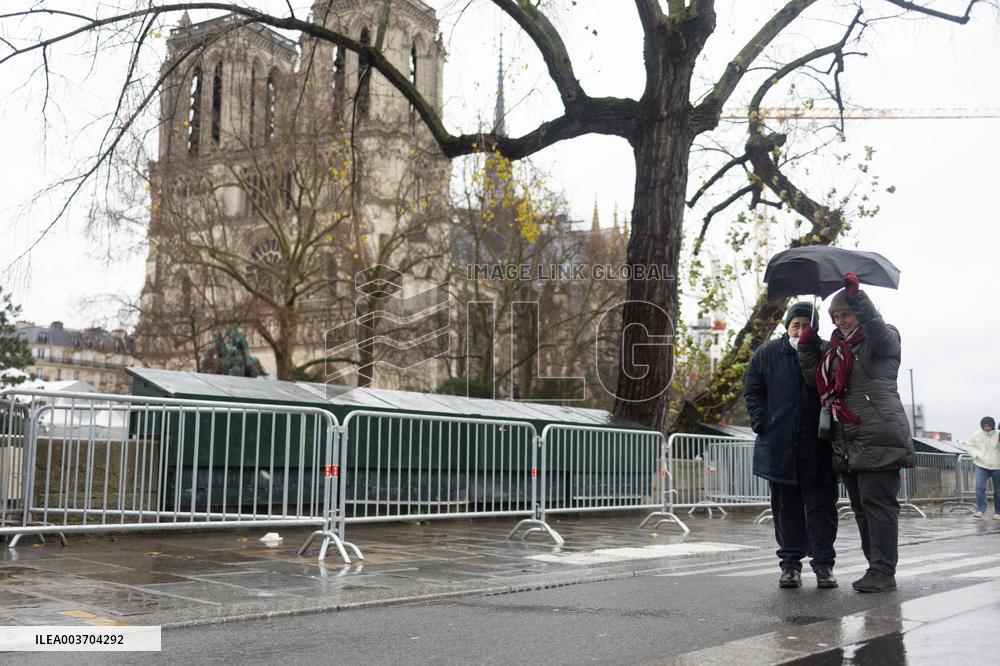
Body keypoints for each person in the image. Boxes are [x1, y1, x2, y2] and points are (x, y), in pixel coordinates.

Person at [798, 273, 915, 593]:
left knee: (879, 509)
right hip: (847, 440)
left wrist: (859, 299)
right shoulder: (834, 351)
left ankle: (883, 570)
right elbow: (815, 380)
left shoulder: (882, 340)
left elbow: (880, 333)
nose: (841, 321)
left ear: (860, 313)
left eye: (846, 315)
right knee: (863, 509)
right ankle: (875, 567)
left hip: (877, 435)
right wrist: (808, 347)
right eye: (836, 317)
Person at [744, 301, 839, 589]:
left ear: (816, 328)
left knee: (822, 508)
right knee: (786, 508)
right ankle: (790, 565)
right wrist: (763, 422)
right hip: (780, 444)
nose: (800, 330)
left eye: (806, 325)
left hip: (819, 445)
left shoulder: (826, 351)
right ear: (787, 326)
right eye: (795, 324)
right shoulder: (768, 353)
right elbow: (753, 390)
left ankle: (823, 565)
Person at [964, 416, 1000, 519]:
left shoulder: (998, 434)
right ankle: (980, 510)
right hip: (981, 465)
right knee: (980, 487)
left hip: (997, 465)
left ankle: (998, 512)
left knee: (998, 490)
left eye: (989, 425)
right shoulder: (976, 435)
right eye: (985, 425)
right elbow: (969, 446)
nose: (987, 427)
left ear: (992, 425)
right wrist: (977, 455)